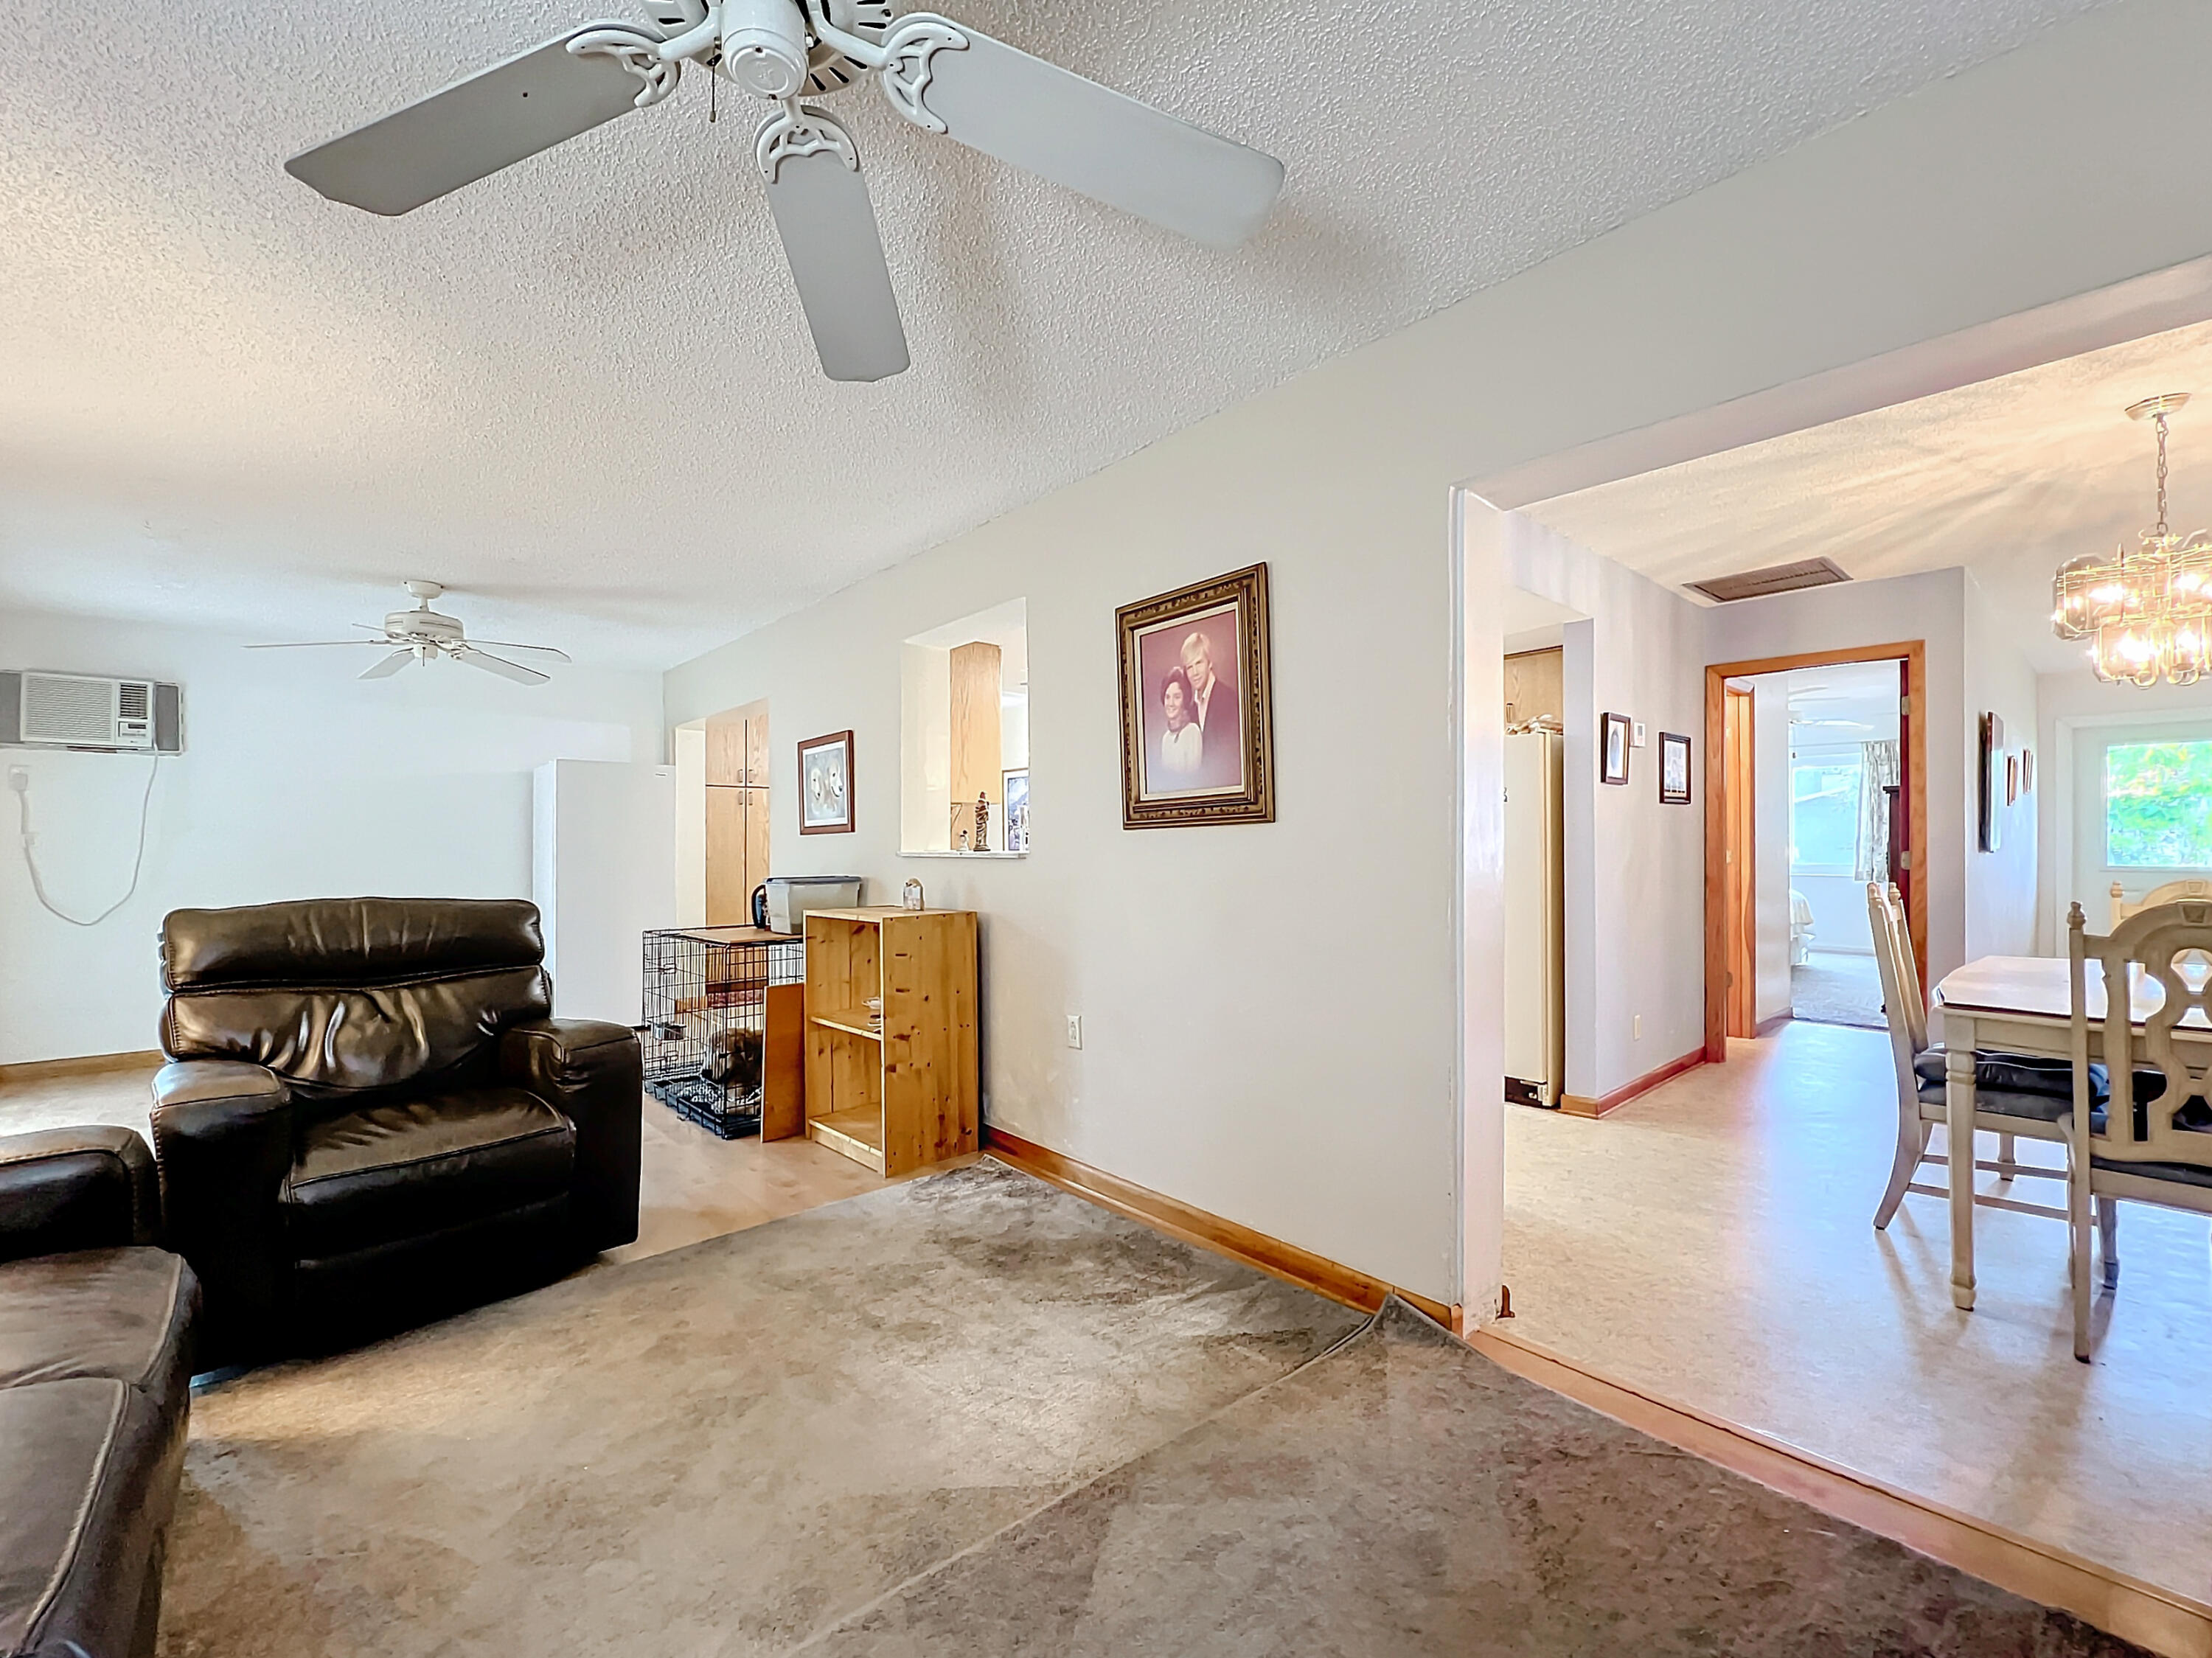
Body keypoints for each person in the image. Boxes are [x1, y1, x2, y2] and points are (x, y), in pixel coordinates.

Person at [1179, 628, 1239, 787]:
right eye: (1189, 667)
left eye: (1199, 663)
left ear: (1210, 663)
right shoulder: (1191, 710)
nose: (1195, 673)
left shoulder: (1229, 699)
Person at [1157, 666, 1202, 780]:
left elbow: (1193, 780)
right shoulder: (1166, 738)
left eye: (1177, 697)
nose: (1171, 703)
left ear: (1185, 700)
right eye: (1167, 697)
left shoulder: (1192, 732)